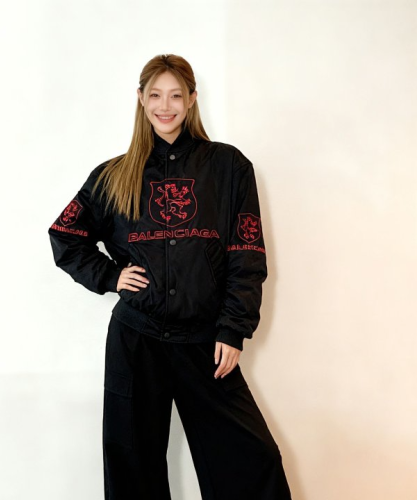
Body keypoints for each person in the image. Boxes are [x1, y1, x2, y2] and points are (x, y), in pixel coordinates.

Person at [48, 54, 292, 500]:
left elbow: (246, 254)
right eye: (156, 95)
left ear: (192, 99)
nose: (166, 106)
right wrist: (111, 275)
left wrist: (233, 328)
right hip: (136, 341)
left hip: (205, 342)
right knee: (132, 468)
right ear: (141, 99)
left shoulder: (228, 167)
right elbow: (66, 234)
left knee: (252, 460)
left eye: (176, 95)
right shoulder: (113, 175)